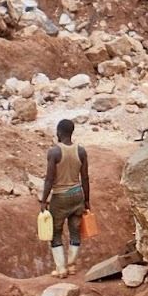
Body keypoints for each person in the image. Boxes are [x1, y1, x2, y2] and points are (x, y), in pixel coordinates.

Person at [39, 119, 90, 278]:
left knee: (56, 232)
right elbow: (85, 178)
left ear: (59, 132)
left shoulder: (54, 152)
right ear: (72, 132)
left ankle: (61, 269)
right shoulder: (81, 151)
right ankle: (72, 266)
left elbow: (49, 179)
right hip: (77, 195)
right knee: (75, 230)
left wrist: (43, 200)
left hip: (60, 198)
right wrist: (87, 200)